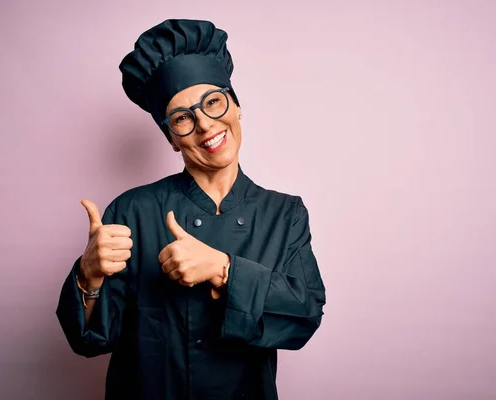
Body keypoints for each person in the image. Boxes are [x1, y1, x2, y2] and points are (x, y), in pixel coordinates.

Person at [56, 18, 326, 400]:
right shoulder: (131, 212)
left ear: (236, 105)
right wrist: (88, 276)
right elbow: (89, 341)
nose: (205, 124)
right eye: (182, 118)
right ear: (171, 138)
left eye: (213, 102)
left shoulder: (285, 215)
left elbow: (304, 318)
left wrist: (223, 270)